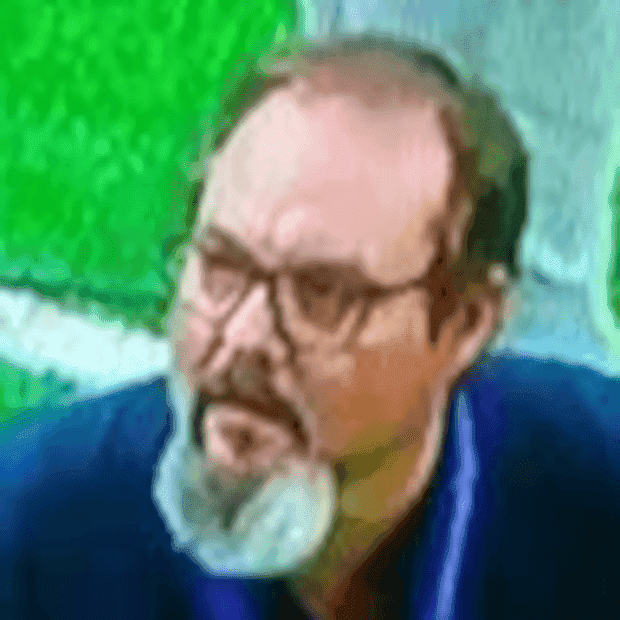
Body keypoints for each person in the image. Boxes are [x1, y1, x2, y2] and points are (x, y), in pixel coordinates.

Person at [1, 33, 619, 620]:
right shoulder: (31, 536)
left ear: (467, 324)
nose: (243, 337)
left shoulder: (592, 500)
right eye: (221, 268)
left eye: (323, 296)